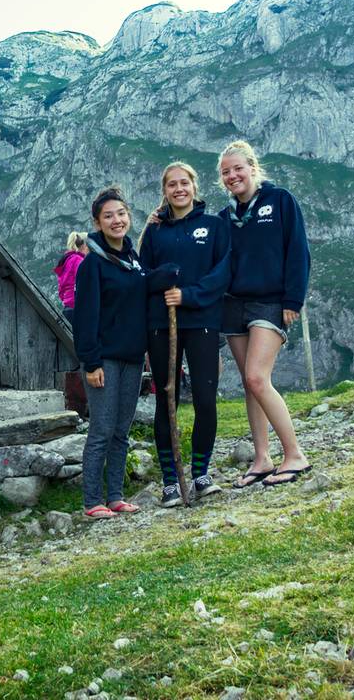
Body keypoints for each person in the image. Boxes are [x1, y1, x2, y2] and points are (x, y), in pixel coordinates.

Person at [216, 140, 312, 488]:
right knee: (249, 383)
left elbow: (298, 250)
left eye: (237, 168)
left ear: (253, 168)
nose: (232, 176)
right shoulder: (224, 218)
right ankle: (261, 458)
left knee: (258, 378)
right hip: (233, 305)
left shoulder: (280, 200)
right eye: (225, 172)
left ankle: (295, 454)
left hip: (270, 303)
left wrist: (293, 301)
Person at [139, 162, 231, 506]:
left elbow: (222, 272)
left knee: (205, 399)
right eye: (172, 185)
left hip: (202, 321)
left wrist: (188, 295)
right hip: (162, 325)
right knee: (167, 399)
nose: (179, 189)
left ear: (194, 186)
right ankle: (170, 481)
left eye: (184, 183)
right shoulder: (155, 231)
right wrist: (162, 278)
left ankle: (201, 474)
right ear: (165, 191)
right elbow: (143, 274)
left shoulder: (214, 226)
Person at [71, 187, 161, 519]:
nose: (116, 220)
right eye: (108, 216)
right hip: (104, 360)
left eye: (121, 213)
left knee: (121, 431)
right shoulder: (92, 265)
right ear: (97, 223)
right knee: (102, 429)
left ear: (128, 216)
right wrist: (91, 362)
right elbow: (84, 317)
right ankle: (92, 501)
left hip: (132, 357)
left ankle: (116, 496)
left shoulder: (134, 261)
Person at [54, 231, 90, 417]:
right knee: (87, 350)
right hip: (79, 307)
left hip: (68, 307)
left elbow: (62, 288)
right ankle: (86, 396)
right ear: (83, 245)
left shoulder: (66, 261)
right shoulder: (79, 260)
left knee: (77, 348)